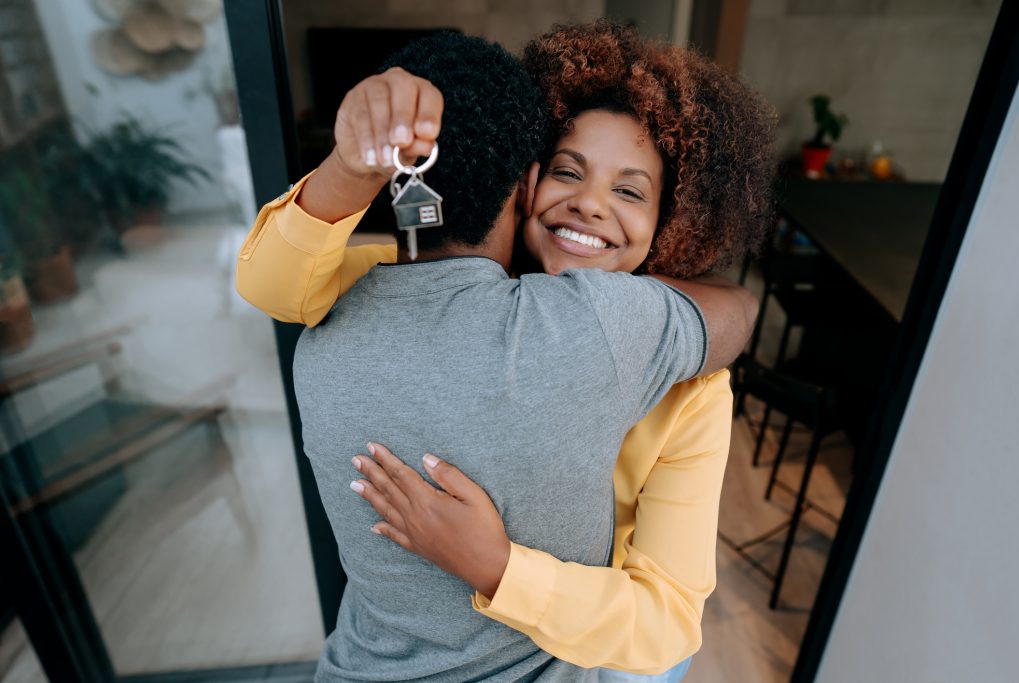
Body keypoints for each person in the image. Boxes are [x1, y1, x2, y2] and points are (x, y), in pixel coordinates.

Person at [237, 25, 768, 683]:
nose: (590, 204)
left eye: (629, 191)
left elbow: (664, 623)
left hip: (593, 645)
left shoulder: (689, 387)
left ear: (673, 221)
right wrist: (354, 164)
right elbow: (271, 282)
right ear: (525, 179)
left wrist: (501, 567)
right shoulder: (416, 287)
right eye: (570, 171)